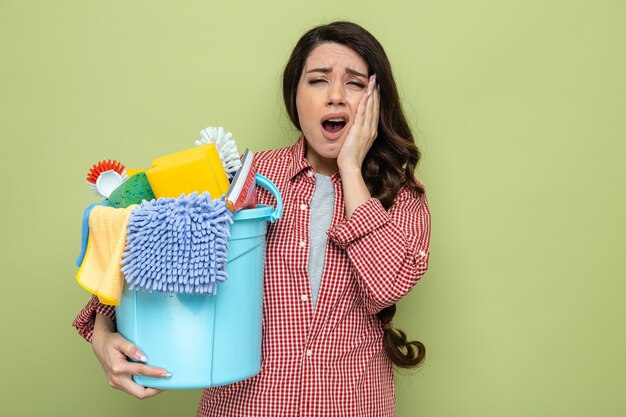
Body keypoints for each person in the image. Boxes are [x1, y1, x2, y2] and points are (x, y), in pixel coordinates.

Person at [73, 21, 431, 417]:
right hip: (245, 407)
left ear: (375, 100)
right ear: (294, 96)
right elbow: (151, 254)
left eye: (354, 83)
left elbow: (387, 286)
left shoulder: (401, 195)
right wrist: (103, 336)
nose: (334, 97)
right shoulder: (245, 180)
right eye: (317, 81)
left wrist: (350, 166)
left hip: (355, 405)